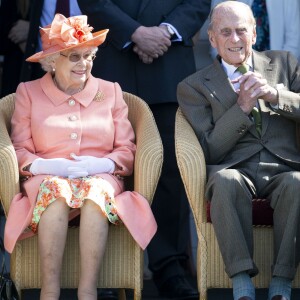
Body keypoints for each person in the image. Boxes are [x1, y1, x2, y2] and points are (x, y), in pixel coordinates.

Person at [3, 13, 157, 300]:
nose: (83, 64)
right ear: (52, 61)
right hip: (45, 179)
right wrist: (47, 165)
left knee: (94, 189)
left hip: (101, 179)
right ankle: (49, 291)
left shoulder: (110, 92)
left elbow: (127, 149)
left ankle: (89, 292)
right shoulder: (28, 93)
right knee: (56, 189)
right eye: (74, 56)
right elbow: (19, 149)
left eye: (89, 56)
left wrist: (101, 164)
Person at [76, 1, 211, 298]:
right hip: (113, 62)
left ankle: (169, 267)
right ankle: (109, 271)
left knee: (169, 173)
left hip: (170, 65)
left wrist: (165, 32)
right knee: (109, 171)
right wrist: (134, 32)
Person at [177, 1, 300, 300]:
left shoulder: (285, 63)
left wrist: (275, 95)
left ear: (255, 33)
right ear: (213, 37)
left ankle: (282, 284)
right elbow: (210, 149)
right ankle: (241, 283)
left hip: (284, 166)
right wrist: (242, 107)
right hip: (236, 168)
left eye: (241, 31)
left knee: (298, 183)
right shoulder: (193, 86)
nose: (234, 39)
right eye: (226, 32)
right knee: (224, 181)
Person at [208, 0, 300, 61]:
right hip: (232, 71)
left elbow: (294, 42)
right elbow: (217, 41)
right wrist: (236, 71)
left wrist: (276, 71)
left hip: (279, 70)